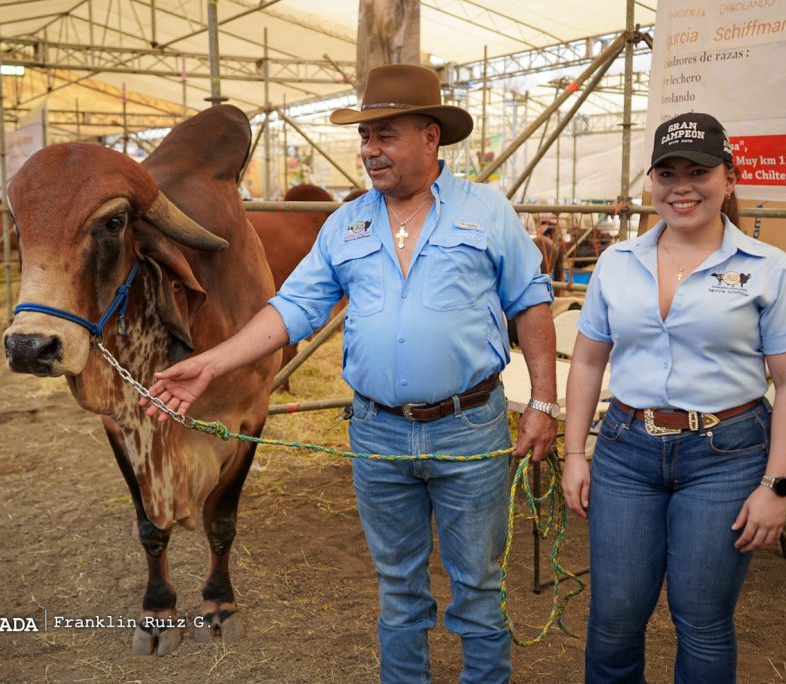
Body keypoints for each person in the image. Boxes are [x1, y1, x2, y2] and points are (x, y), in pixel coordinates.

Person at [141, 64, 559, 684]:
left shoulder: (487, 211)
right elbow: (290, 311)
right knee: (398, 591)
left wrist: (543, 404)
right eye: (365, 137)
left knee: (476, 586)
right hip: (377, 432)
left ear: (429, 136)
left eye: (384, 135)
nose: (369, 150)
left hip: (469, 428)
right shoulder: (347, 223)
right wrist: (208, 363)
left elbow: (530, 301)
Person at [560, 112, 786, 683]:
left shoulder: (768, 269)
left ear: (730, 178)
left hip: (726, 457)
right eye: (667, 172)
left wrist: (777, 485)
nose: (682, 186)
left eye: (698, 170)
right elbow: (587, 359)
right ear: (651, 182)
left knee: (701, 619)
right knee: (614, 617)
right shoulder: (616, 263)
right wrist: (575, 453)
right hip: (627, 449)